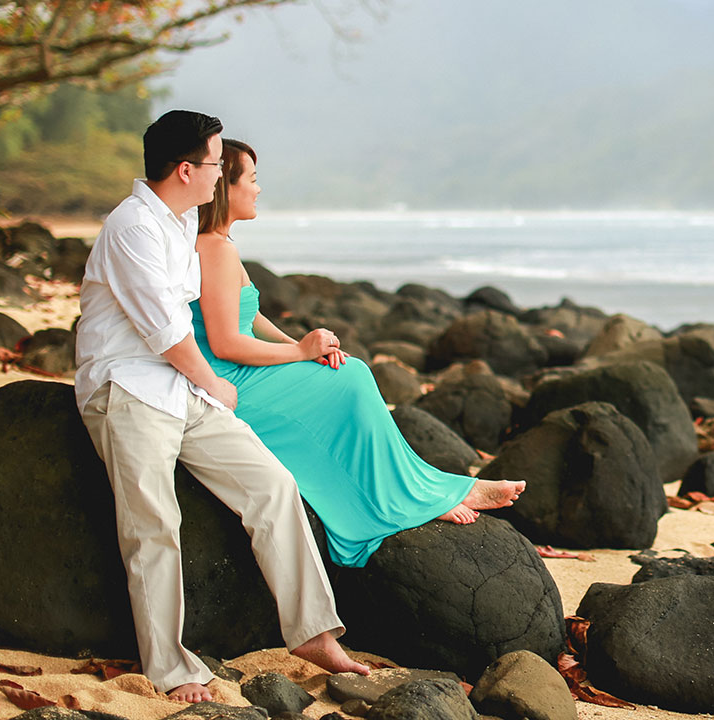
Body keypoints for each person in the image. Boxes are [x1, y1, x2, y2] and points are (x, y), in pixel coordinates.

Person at [74, 110, 369, 704]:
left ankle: (312, 631)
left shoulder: (180, 223)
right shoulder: (132, 226)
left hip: (177, 387)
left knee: (273, 486)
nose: (220, 175)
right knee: (153, 525)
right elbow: (164, 329)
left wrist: (285, 352)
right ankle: (171, 669)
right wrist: (217, 382)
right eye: (214, 163)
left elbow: (203, 320)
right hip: (128, 389)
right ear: (186, 169)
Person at [191, 138, 525, 568]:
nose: (258, 189)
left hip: (241, 369)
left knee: (350, 374)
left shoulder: (220, 244)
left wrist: (303, 348)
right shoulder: (214, 249)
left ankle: (427, 491)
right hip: (229, 382)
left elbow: (250, 319)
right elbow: (225, 342)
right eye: (252, 180)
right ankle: (415, 500)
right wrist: (298, 351)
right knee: (350, 380)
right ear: (225, 187)